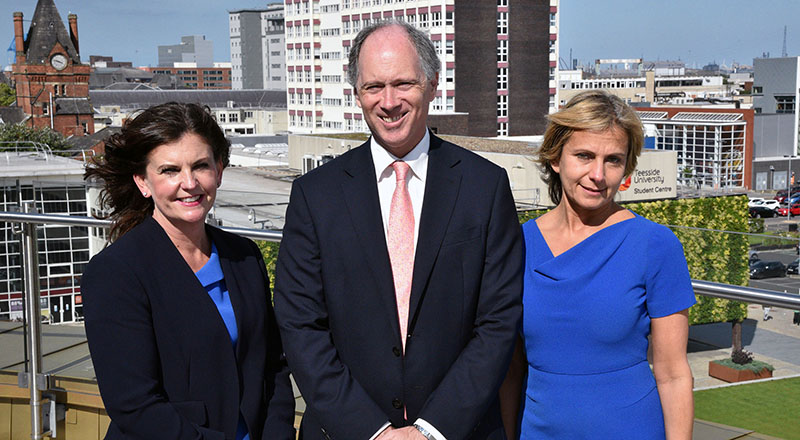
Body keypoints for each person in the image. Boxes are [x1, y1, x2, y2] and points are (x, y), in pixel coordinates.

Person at [273, 20, 523, 440]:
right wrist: (373, 431)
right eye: (373, 87)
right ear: (356, 94)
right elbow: (300, 325)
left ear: (432, 85)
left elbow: (498, 321)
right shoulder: (315, 195)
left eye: (403, 83)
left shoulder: (485, 186)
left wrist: (431, 429)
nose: (388, 102)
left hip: (459, 431)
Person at [81, 102, 295, 440]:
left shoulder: (244, 256)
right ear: (143, 182)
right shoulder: (115, 273)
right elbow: (134, 405)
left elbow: (272, 366)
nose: (189, 183)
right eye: (169, 170)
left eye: (200, 166)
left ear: (219, 171)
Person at [500, 90, 696, 439]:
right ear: (556, 158)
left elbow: (673, 373)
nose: (598, 174)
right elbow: (511, 368)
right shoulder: (518, 244)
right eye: (584, 156)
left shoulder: (655, 246)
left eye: (613, 160)